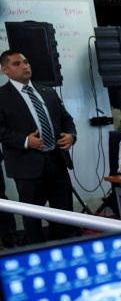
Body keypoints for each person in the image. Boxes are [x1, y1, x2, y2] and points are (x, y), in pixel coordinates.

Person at [0, 50, 77, 243]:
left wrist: (71, 136)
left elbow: (66, 119)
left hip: (56, 160)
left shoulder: (47, 91)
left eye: (26, 62)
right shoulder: (2, 96)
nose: (25, 66)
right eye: (17, 64)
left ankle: (68, 248)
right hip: (26, 165)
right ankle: (36, 254)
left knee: (64, 212)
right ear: (5, 70)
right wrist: (26, 141)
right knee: (33, 217)